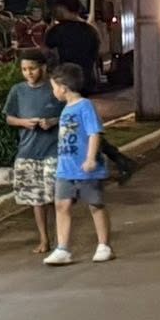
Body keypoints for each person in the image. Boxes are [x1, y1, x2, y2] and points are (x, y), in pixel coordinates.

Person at [45, 0, 137, 181]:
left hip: (64, 84)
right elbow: (95, 55)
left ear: (64, 9)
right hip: (84, 82)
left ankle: (109, 159)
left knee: (70, 125)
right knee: (83, 126)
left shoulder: (57, 31)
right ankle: (117, 159)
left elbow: (48, 55)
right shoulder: (90, 31)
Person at [46, 62, 114, 265]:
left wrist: (90, 158)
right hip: (65, 168)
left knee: (95, 204)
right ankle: (62, 248)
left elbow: (94, 132)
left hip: (86, 168)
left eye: (53, 87)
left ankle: (104, 245)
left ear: (63, 87)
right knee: (61, 205)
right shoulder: (66, 109)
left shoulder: (85, 106)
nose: (53, 92)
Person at [4, 48, 64, 254]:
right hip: (27, 151)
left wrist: (53, 121)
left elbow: (68, 113)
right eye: (24, 69)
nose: (29, 73)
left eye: (33, 68)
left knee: (56, 196)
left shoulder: (54, 89)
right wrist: (24, 122)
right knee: (35, 199)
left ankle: (61, 239)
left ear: (43, 68)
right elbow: (9, 117)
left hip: (53, 150)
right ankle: (44, 239)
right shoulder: (17, 91)